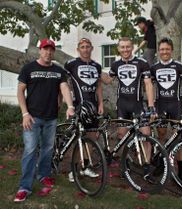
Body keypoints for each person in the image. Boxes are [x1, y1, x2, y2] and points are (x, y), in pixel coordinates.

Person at [14, 39, 75, 202]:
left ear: (53, 52)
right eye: (45, 49)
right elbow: (20, 91)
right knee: (30, 151)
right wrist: (24, 114)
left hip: (51, 118)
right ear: (40, 50)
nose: (48, 52)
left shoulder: (58, 70)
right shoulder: (28, 68)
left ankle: (43, 175)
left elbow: (64, 88)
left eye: (51, 50)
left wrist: (70, 106)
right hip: (32, 118)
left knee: (48, 149)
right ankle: (24, 187)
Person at [102, 37, 156, 180]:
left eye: (127, 47)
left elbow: (148, 84)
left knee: (146, 135)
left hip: (138, 104)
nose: (125, 49)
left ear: (132, 47)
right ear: (118, 49)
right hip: (122, 105)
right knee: (122, 135)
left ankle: (146, 167)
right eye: (122, 47)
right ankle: (125, 164)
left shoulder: (142, 62)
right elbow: (108, 79)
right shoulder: (116, 64)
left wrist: (151, 106)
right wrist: (95, 70)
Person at [150, 37, 182, 183]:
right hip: (160, 106)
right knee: (162, 135)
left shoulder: (179, 66)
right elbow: (150, 87)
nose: (164, 51)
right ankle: (160, 164)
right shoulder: (154, 68)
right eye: (162, 49)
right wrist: (151, 107)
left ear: (171, 50)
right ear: (159, 51)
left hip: (176, 106)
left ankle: (181, 172)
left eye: (167, 49)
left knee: (179, 138)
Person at [64, 38, 103, 181]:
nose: (85, 49)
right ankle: (73, 170)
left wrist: (101, 104)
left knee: (91, 138)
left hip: (92, 107)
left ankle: (86, 167)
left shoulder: (97, 66)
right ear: (78, 49)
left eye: (88, 47)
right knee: (78, 139)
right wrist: (68, 103)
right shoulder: (71, 64)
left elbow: (99, 85)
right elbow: (65, 84)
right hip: (78, 106)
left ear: (92, 48)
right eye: (82, 47)